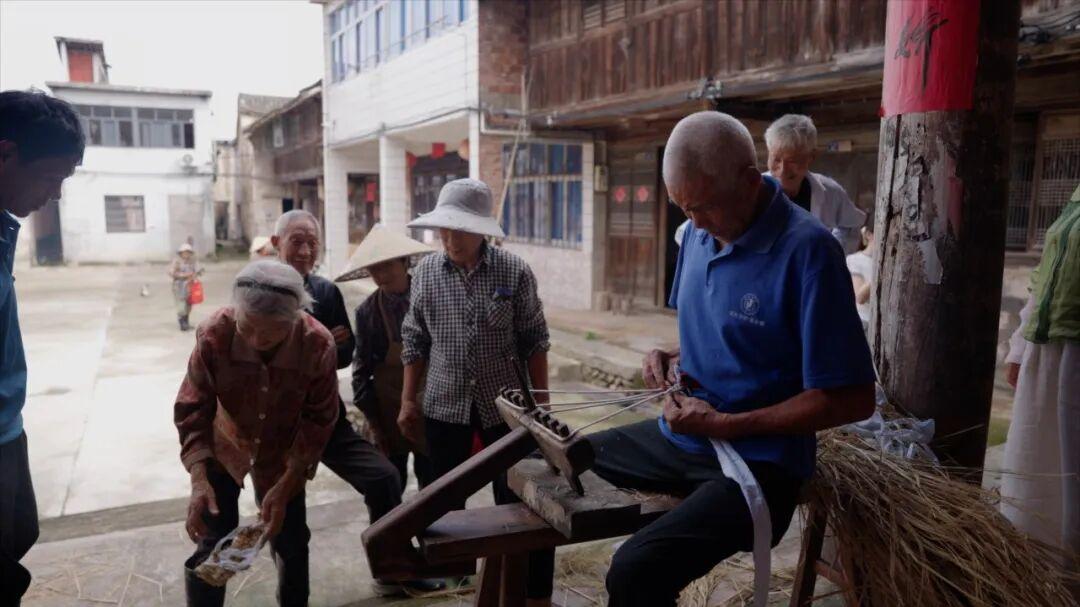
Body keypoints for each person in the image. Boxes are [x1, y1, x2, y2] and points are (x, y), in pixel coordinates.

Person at [584, 112, 875, 607]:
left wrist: (727, 424)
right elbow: (728, 323)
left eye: (702, 207)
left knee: (634, 571)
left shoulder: (810, 251)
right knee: (542, 459)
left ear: (748, 180)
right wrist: (671, 353)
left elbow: (852, 398)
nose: (694, 223)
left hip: (762, 462)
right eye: (683, 208)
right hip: (687, 438)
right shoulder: (698, 232)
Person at [271, 210, 440, 596]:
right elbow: (263, 359)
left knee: (388, 479)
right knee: (288, 526)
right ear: (276, 243)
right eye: (296, 241)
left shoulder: (326, 292)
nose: (305, 250)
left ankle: (393, 571)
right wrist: (320, 344)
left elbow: (345, 356)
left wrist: (329, 348)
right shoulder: (261, 289)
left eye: (312, 242)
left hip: (326, 414)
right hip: (277, 424)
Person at [400, 178, 553, 604]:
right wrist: (408, 400)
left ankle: (524, 588)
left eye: (461, 230)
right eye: (444, 230)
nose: (451, 240)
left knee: (520, 497)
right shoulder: (425, 273)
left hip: (505, 406)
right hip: (443, 404)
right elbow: (414, 340)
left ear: (482, 230)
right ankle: (454, 581)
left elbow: (535, 341)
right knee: (443, 499)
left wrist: (542, 406)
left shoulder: (513, 271)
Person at [175, 260, 339, 606]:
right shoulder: (214, 334)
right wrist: (199, 479)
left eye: (272, 332)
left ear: (294, 319)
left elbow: (320, 419)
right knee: (212, 537)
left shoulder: (317, 345)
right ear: (236, 311)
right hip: (226, 445)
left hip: (282, 451)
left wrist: (289, 481)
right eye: (247, 327)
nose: (256, 340)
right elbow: (193, 407)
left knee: (290, 538)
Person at [0, 90, 84, 604]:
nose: (55, 194)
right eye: (52, 177)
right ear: (6, 154)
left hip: (9, 427)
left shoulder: (3, 230)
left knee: (20, 533)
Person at [1001, 183, 1079, 592]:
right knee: (1036, 469)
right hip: (1049, 350)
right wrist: (1019, 346)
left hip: (1076, 354)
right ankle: (1035, 579)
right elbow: (1045, 274)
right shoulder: (1075, 199)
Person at [336, 224, 436, 491]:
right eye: (374, 269)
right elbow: (361, 371)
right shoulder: (367, 312)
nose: (380, 275)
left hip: (431, 405)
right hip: (388, 412)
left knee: (434, 485)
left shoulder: (431, 298)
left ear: (405, 262)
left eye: (387, 266)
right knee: (389, 485)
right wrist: (374, 423)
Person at [764, 114, 866, 254]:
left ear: (811, 156)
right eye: (776, 159)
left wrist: (831, 254)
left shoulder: (830, 192)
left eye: (793, 161)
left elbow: (851, 225)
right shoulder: (751, 192)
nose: (783, 171)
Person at [845, 225, 876, 329]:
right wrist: (880, 272)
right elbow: (860, 297)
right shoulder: (855, 259)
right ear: (868, 234)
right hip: (862, 322)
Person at [169, 242, 200, 331]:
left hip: (189, 287)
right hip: (178, 287)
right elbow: (171, 272)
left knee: (188, 306)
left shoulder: (192, 261)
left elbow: (197, 271)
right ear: (181, 253)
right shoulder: (177, 262)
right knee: (181, 306)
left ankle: (186, 322)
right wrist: (184, 275)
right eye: (184, 252)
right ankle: (182, 324)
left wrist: (195, 275)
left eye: (188, 252)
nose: (186, 254)